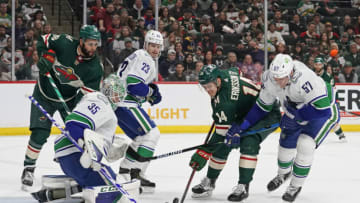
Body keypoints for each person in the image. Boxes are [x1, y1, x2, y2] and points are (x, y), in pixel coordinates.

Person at [226, 54, 340, 202]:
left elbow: (323, 110)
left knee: (305, 144)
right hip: (295, 107)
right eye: (275, 77)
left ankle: (295, 185)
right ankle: (283, 174)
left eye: (281, 78)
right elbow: (261, 108)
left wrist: (299, 115)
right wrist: (242, 126)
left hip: (321, 110)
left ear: (291, 73)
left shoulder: (306, 79)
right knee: (285, 141)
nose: (277, 82)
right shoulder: (270, 77)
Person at [21, 25, 103, 191]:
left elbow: (88, 96)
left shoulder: (95, 68)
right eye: (90, 44)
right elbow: (42, 40)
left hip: (71, 98)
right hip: (44, 94)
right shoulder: (65, 42)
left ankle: (66, 157)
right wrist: (46, 55)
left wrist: (76, 112)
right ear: (81, 41)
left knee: (78, 132)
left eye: (95, 44)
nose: (93, 48)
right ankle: (28, 168)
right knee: (40, 133)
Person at [32, 74, 134, 203]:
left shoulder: (103, 104)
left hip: (72, 157)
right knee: (114, 192)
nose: (118, 97)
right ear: (107, 90)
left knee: (99, 187)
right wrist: (87, 148)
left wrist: (109, 150)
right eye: (116, 93)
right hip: (78, 156)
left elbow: (89, 132)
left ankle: (56, 194)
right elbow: (74, 123)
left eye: (120, 94)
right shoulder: (101, 101)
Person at [189, 65, 281, 202]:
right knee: (223, 145)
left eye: (209, 86)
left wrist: (204, 151)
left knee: (249, 142)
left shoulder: (225, 103)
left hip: (267, 112)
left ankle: (243, 186)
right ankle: (210, 181)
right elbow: (236, 70)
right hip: (244, 112)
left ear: (218, 81)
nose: (207, 90)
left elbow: (220, 133)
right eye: (204, 87)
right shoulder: (223, 73)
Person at [115, 30, 163, 193]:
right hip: (125, 103)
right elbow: (133, 84)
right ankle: (129, 171)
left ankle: (131, 172)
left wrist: (147, 95)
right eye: (152, 45)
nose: (155, 49)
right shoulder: (145, 58)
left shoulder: (138, 55)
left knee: (141, 137)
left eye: (158, 46)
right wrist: (150, 92)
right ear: (145, 45)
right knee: (152, 133)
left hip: (120, 103)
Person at [313, 57, 346, 141]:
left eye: (319, 64)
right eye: (316, 64)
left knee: (330, 118)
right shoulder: (311, 75)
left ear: (322, 65)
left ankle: (341, 134)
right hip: (314, 100)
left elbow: (333, 90)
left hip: (327, 101)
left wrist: (336, 101)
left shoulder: (328, 77)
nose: (318, 66)